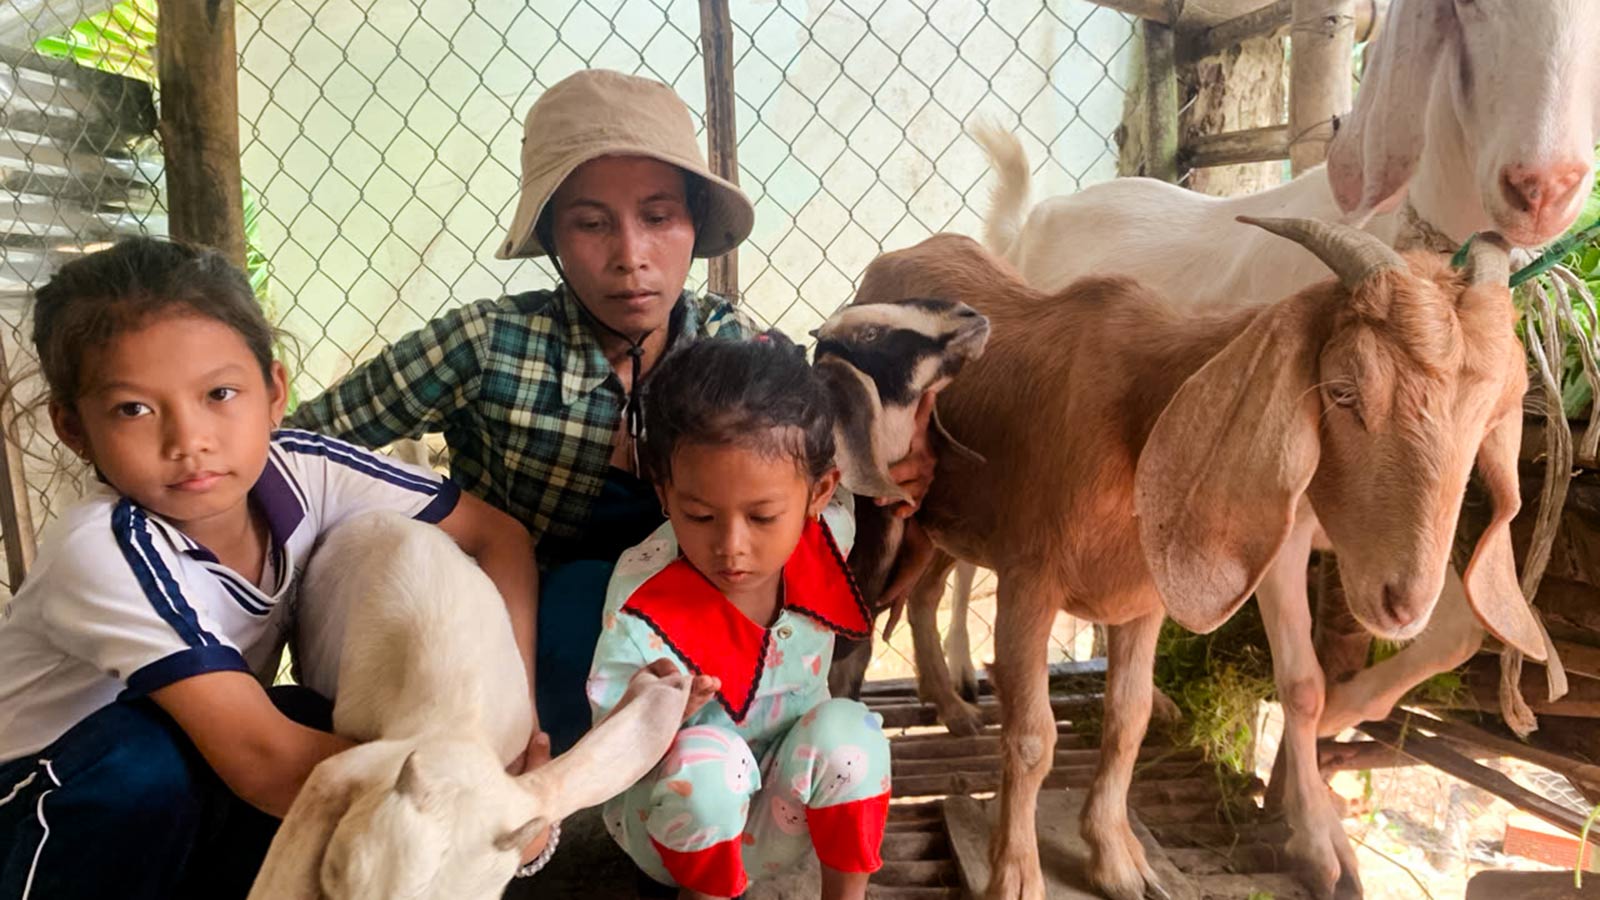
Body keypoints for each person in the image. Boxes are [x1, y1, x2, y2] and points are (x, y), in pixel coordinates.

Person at [285, 68, 935, 754]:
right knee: (582, 596)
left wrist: (893, 470)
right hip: (525, 642)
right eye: (592, 224)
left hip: (689, 648)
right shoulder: (486, 347)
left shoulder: (733, 346)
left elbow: (818, 466)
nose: (631, 257)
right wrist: (432, 513)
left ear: (692, 222)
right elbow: (299, 448)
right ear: (554, 236)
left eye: (657, 218)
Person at [0, 238, 541, 900]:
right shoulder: (103, 548)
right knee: (148, 761)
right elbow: (265, 763)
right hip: (40, 794)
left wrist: (507, 737)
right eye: (133, 409)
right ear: (73, 428)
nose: (188, 440)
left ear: (274, 391)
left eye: (220, 393)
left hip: (194, 770)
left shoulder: (307, 470)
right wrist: (482, 797)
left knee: (315, 717)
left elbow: (499, 539)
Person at [588, 333, 891, 900]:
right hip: (677, 824)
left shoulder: (828, 538)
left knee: (854, 732)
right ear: (665, 491)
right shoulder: (641, 607)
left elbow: (880, 480)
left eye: (762, 516)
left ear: (818, 494)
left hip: (783, 815)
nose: (731, 547)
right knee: (710, 766)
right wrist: (652, 712)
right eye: (699, 515)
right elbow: (611, 747)